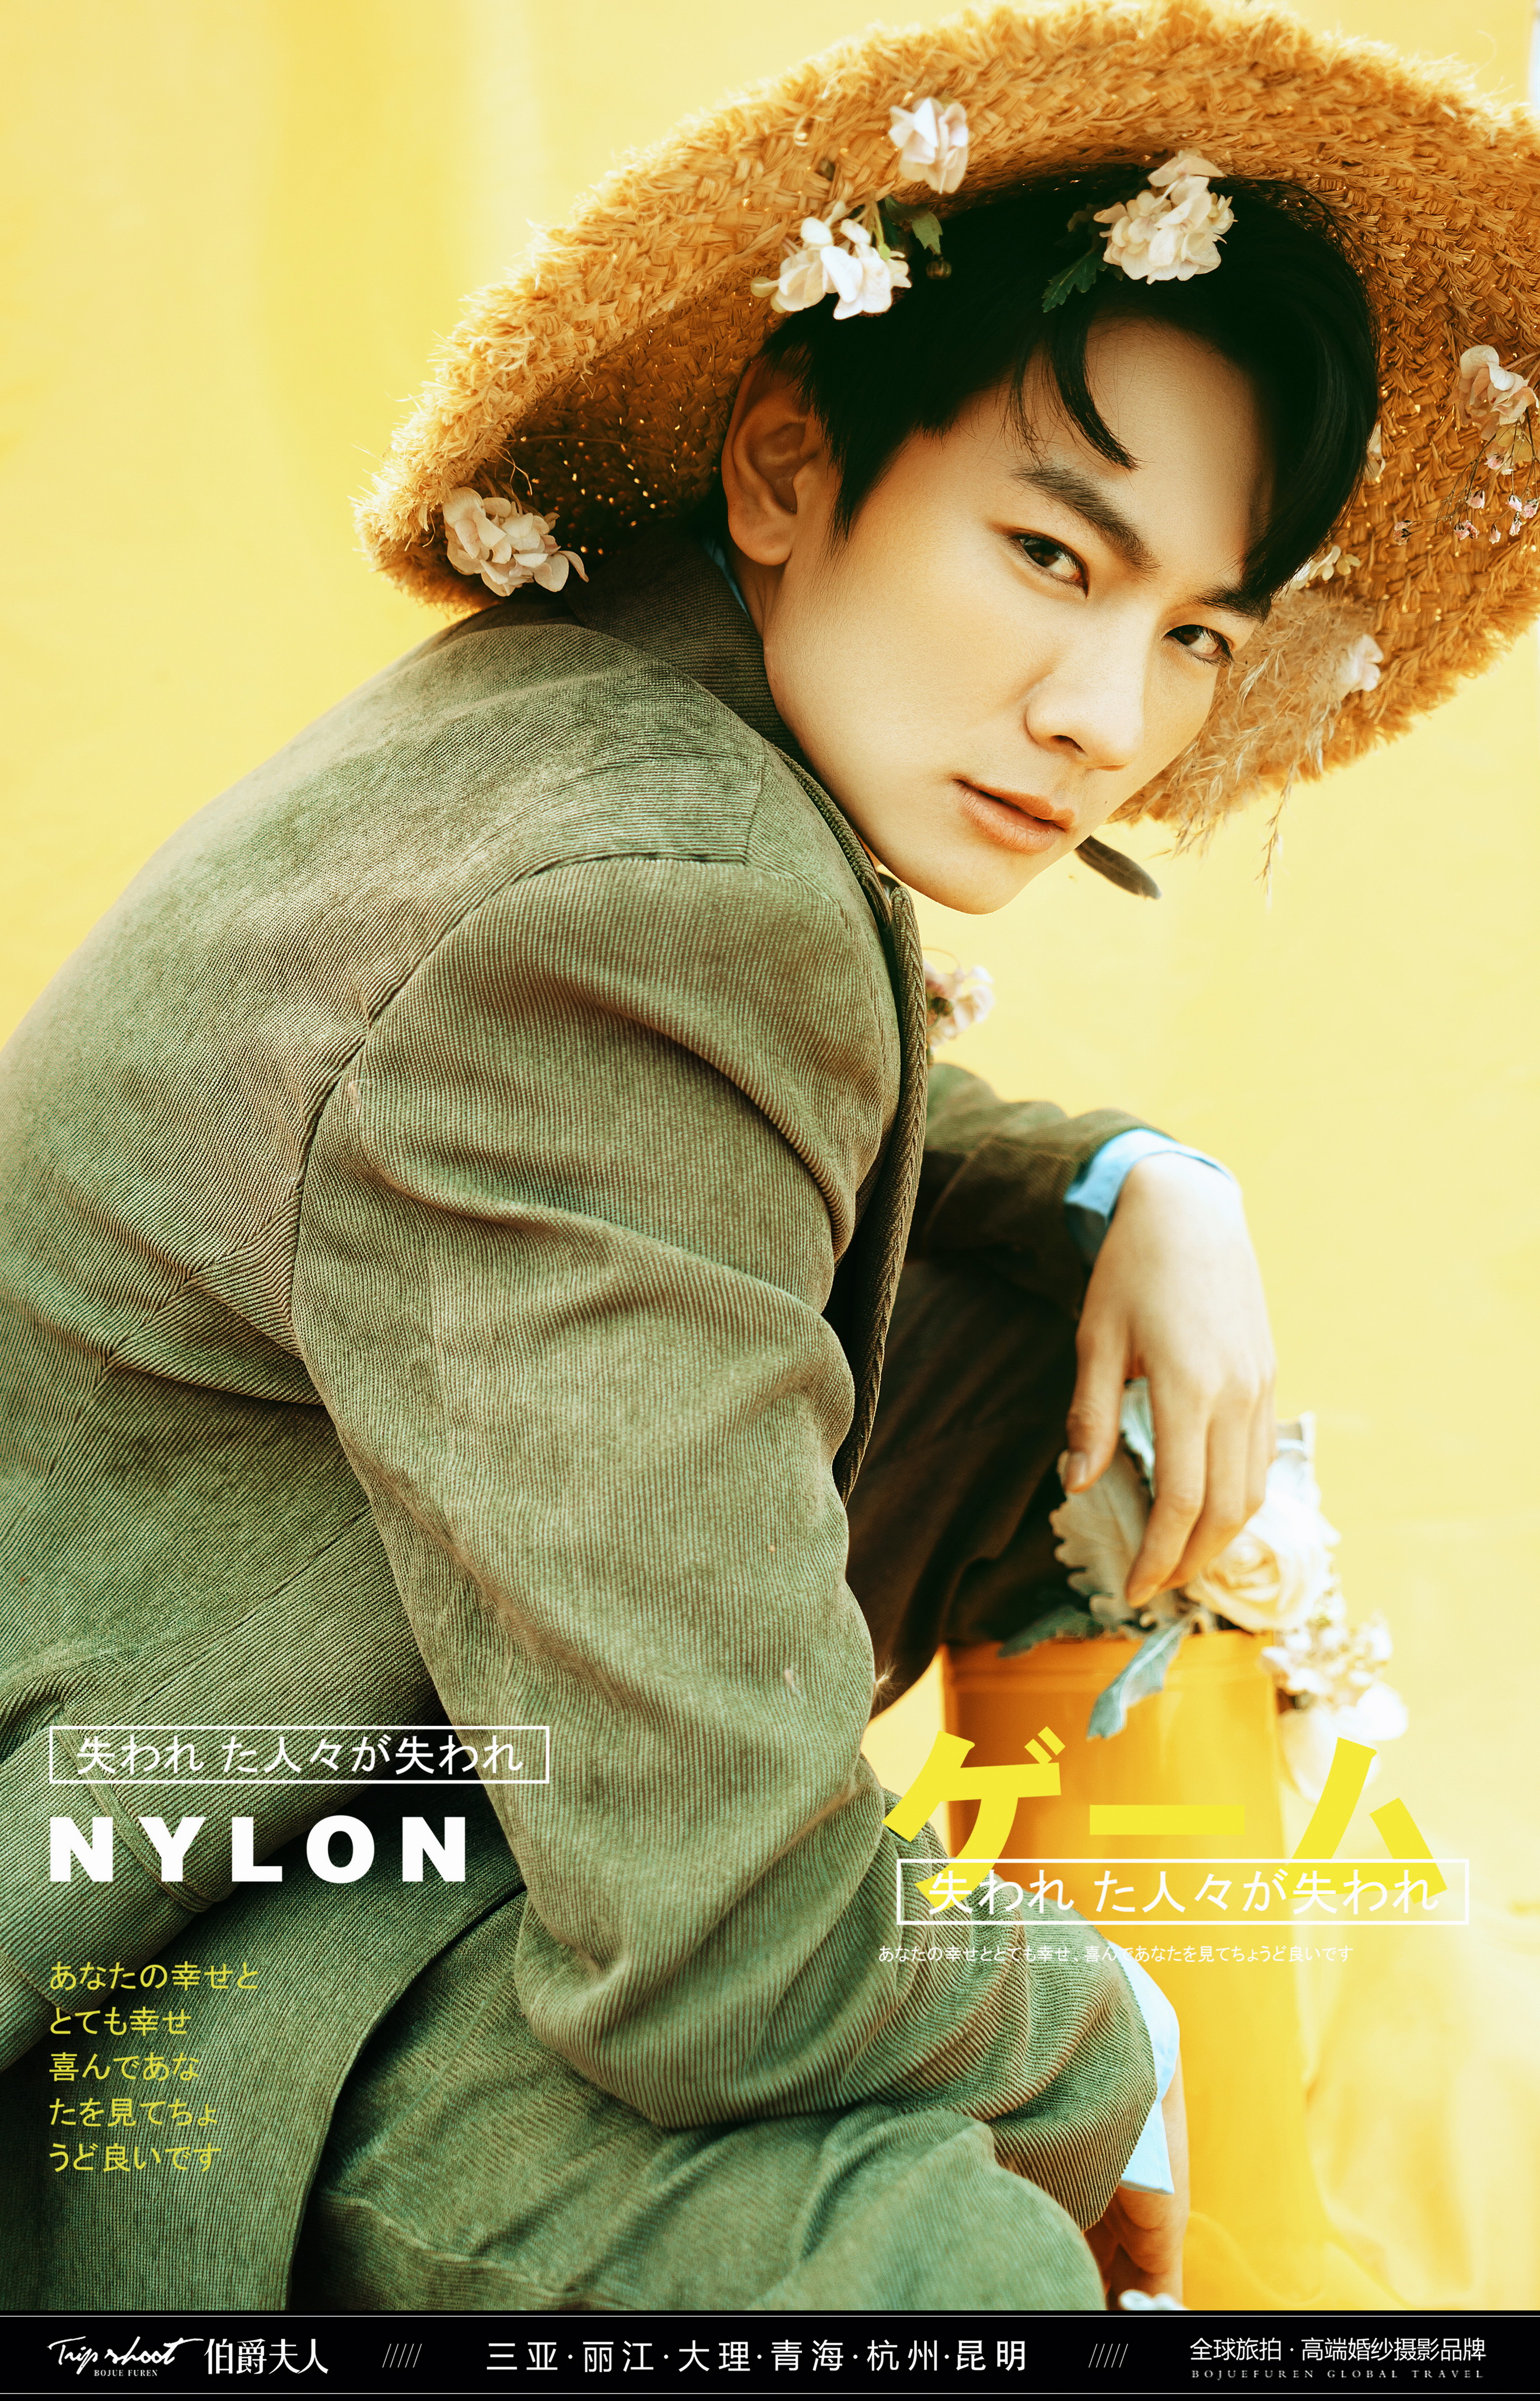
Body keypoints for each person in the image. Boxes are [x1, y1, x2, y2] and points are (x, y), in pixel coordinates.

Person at [1, 0, 1536, 2319]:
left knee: (1077, 1377)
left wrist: (1138, 1180)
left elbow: (712, 1156)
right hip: (187, 1960)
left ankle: (1230, 2262)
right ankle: (1156, 2215)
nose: (1102, 719)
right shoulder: (649, 895)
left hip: (411, 1748)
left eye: (1196, 633)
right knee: (923, 2273)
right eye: (1051, 552)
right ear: (789, 469)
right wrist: (1101, 2035)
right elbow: (729, 1953)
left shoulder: (618, 740)